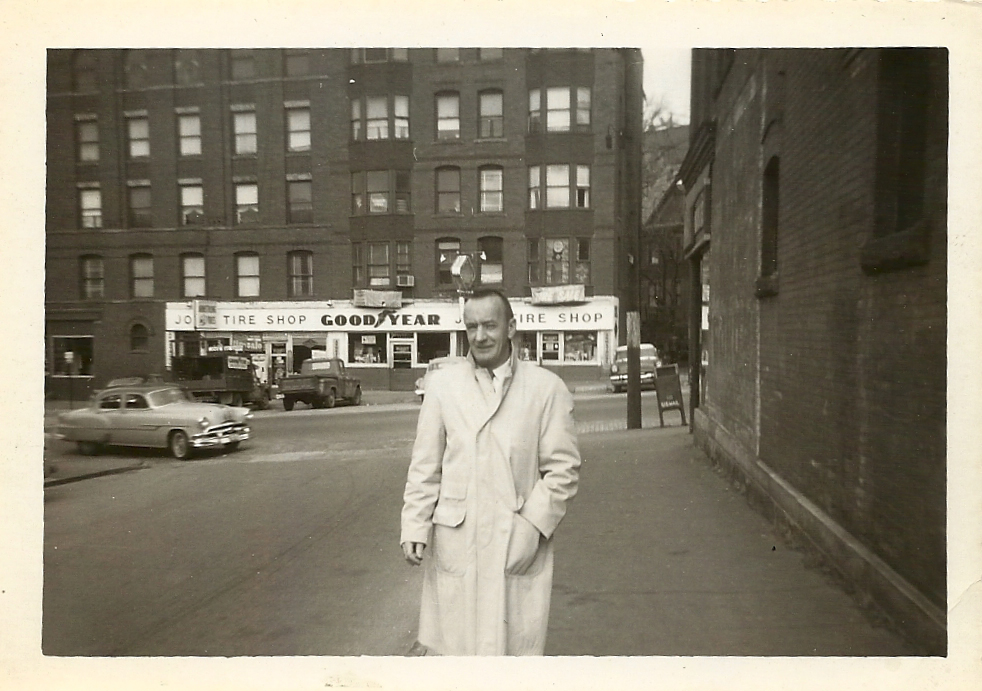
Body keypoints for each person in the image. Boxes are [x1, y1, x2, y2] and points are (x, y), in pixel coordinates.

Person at [400, 288, 581, 655]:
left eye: (489, 326)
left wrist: (531, 527)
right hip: (458, 538)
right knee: (458, 654)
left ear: (511, 327)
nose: (479, 336)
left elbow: (563, 470)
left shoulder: (545, 389)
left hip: (515, 537)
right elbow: (425, 465)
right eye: (471, 327)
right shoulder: (443, 387)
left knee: (512, 654)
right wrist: (414, 524)